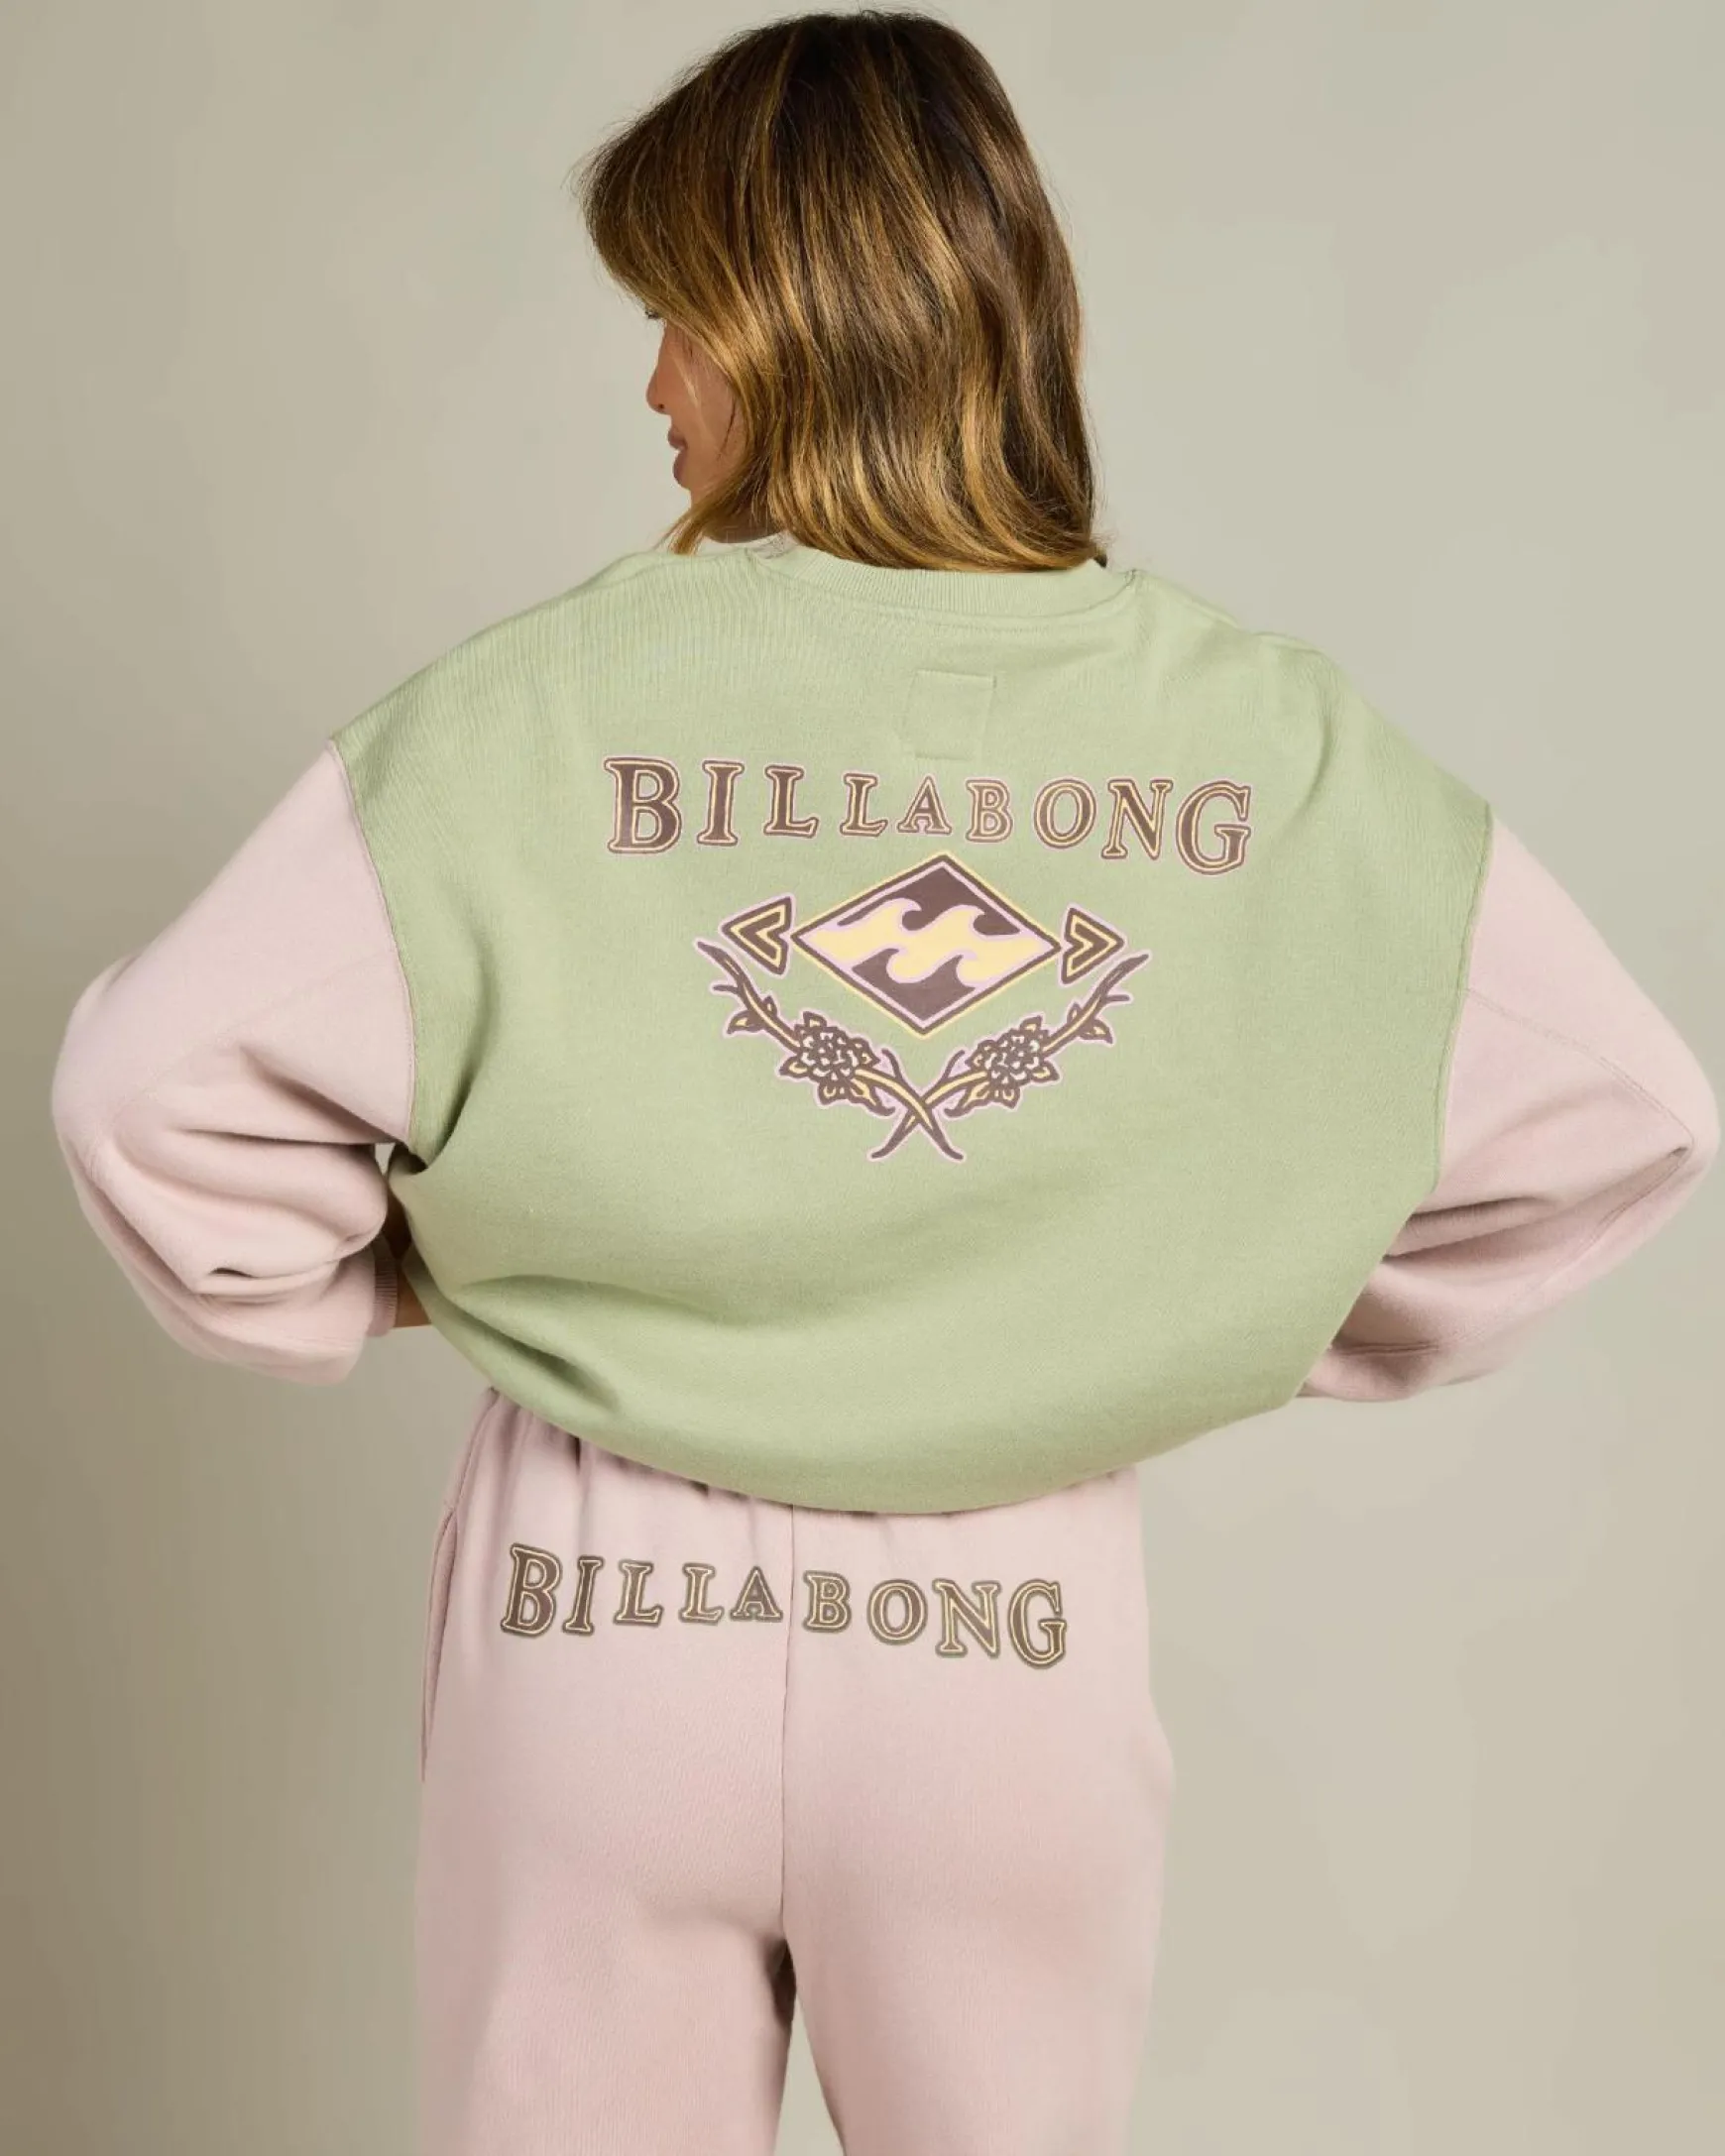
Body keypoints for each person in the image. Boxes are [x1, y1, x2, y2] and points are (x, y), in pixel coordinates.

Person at [46, 12, 1718, 2155]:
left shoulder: (530, 713)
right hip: (1009, 1630)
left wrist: (435, 1271)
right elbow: (1631, 1109)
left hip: (598, 1598)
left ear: (787, 325)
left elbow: (145, 1091)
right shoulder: (1259, 741)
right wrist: (1167, 1301)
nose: (654, 384)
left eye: (679, 316)